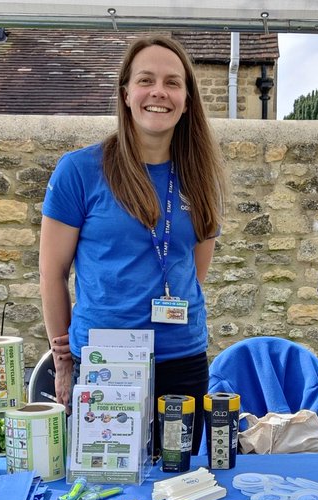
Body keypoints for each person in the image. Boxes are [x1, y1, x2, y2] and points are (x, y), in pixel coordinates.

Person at [39, 34, 226, 454]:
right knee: (107, 480)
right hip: (105, 362)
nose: (159, 92)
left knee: (178, 479)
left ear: (187, 100)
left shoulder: (201, 177)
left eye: (172, 83)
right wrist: (63, 361)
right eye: (146, 80)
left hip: (181, 359)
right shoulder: (79, 171)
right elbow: (52, 274)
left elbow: (193, 271)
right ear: (126, 94)